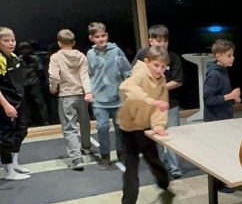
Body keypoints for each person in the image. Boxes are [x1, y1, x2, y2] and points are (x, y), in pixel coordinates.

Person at [117, 47, 171, 204]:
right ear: (147, 62)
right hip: (128, 128)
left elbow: (161, 104)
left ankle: (164, 184)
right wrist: (150, 100)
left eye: (163, 67)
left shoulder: (162, 80)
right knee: (131, 167)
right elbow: (126, 87)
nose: (159, 70)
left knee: (153, 159)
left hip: (146, 128)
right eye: (156, 65)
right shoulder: (139, 74)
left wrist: (158, 125)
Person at [133, 25, 184, 179]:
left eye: (165, 41)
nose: (162, 44)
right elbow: (133, 73)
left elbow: (178, 80)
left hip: (170, 104)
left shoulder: (174, 57)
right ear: (151, 41)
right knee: (156, 138)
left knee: (172, 136)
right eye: (158, 41)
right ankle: (160, 167)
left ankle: (175, 168)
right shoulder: (143, 54)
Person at [87, 22, 132, 168]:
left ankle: (121, 152)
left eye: (103, 36)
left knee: (120, 127)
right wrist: (89, 91)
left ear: (107, 35)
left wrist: (130, 86)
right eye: (97, 37)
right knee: (102, 127)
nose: (101, 39)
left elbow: (126, 70)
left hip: (117, 98)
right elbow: (89, 74)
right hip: (99, 99)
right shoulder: (90, 54)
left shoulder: (116, 51)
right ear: (91, 38)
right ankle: (105, 155)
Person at [48, 29, 93, 171]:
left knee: (69, 128)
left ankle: (76, 158)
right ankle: (86, 147)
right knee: (85, 122)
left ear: (59, 43)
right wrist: (88, 91)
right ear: (73, 42)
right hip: (81, 95)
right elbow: (85, 76)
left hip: (66, 96)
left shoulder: (56, 57)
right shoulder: (81, 56)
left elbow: (54, 77)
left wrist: (53, 88)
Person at [0, 26, 30, 180]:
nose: (11, 43)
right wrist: (6, 105)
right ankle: (8, 170)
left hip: (19, 101)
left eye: (13, 40)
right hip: (6, 103)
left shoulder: (14, 57)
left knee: (22, 131)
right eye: (6, 40)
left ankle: (15, 163)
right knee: (6, 136)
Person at [203, 39, 241, 121]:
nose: (233, 58)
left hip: (224, 117)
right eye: (229, 55)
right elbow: (208, 100)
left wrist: (234, 98)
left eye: (233, 55)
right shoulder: (213, 75)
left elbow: (221, 94)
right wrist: (230, 96)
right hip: (215, 120)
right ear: (218, 57)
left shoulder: (223, 70)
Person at [17, 41, 49, 126]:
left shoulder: (35, 59)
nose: (25, 51)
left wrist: (42, 82)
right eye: (23, 49)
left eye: (27, 48)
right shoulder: (18, 60)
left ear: (30, 49)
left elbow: (40, 71)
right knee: (26, 105)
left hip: (35, 84)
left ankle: (44, 120)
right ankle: (28, 122)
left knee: (40, 103)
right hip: (24, 85)